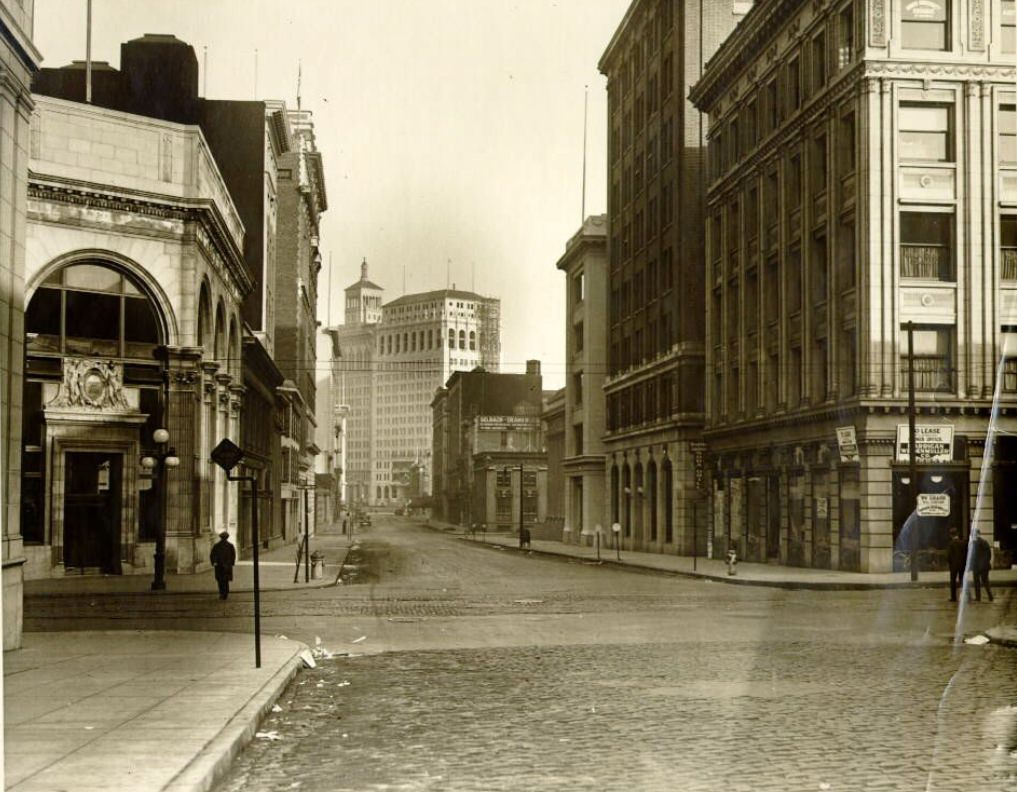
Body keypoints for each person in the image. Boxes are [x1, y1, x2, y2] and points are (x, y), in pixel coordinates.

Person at [210, 530, 237, 600]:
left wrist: (214, 562)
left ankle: (222, 593)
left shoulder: (217, 546)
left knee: (220, 581)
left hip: (219, 566)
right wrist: (232, 563)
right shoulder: (230, 546)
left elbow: (212, 555)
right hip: (227, 566)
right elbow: (233, 555)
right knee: (225, 580)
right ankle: (225, 593)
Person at [971, 529, 994, 603]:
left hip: (976, 566)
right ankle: (990, 596)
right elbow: (989, 555)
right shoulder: (985, 542)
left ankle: (978, 597)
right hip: (984, 566)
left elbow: (972, 556)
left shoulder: (974, 544)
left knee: (977, 582)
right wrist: (986, 562)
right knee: (986, 581)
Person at [946, 529, 967, 603]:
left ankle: (953, 597)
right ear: (957, 534)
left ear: (951, 535)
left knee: (953, 582)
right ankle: (966, 596)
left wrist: (950, 563)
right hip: (962, 565)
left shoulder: (951, 544)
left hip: (954, 566)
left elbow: (948, 556)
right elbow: (966, 555)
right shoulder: (963, 543)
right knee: (963, 581)